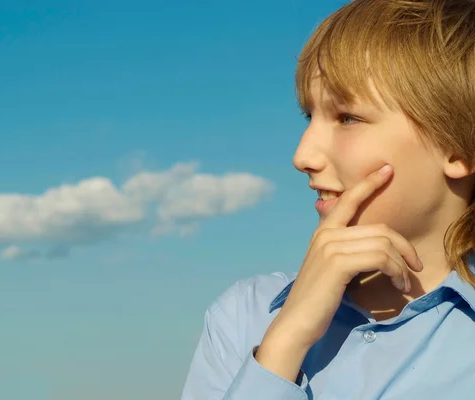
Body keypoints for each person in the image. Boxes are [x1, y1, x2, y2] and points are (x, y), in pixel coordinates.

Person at [181, 0, 475, 399]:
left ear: (459, 148)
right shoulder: (244, 316)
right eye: (309, 116)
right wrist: (285, 342)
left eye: (347, 118)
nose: (303, 156)